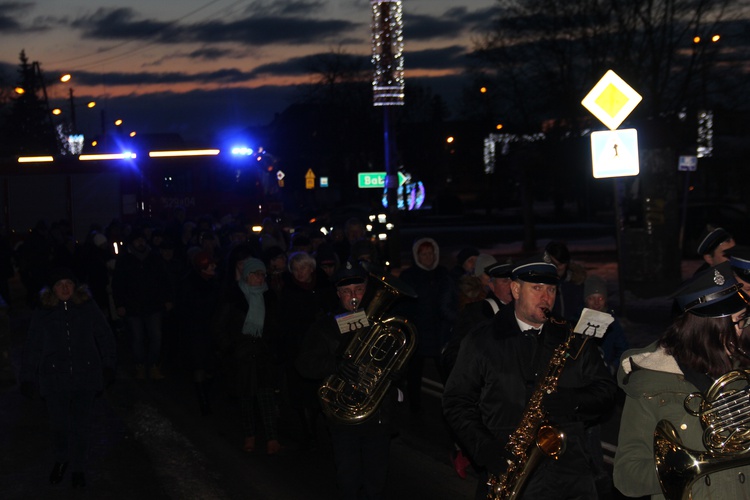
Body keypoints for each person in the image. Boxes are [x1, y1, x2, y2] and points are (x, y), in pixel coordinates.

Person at [442, 259, 617, 500]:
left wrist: (573, 401)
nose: (546, 297)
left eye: (551, 290)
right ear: (515, 290)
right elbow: (456, 401)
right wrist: (485, 448)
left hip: (571, 473)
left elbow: (607, 391)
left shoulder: (573, 337)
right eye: (537, 288)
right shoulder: (482, 340)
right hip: (508, 469)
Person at [613, 262, 750, 498]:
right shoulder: (651, 384)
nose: (742, 330)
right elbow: (627, 476)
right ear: (710, 328)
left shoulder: (741, 374)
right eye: (738, 321)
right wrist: (675, 470)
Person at [296, 261, 397, 500]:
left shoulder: (383, 323)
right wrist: (335, 365)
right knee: (348, 479)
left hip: (377, 414)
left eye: (359, 290)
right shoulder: (324, 326)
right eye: (347, 292)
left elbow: (399, 360)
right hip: (343, 417)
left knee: (376, 480)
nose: (353, 296)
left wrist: (391, 370)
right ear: (338, 294)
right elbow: (303, 363)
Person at [19, 268, 117, 488]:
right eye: (59, 284)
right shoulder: (44, 311)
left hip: (86, 375)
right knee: (59, 426)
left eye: (69, 283)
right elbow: (33, 346)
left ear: (75, 287)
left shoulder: (87, 307)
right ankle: (62, 459)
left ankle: (79, 467)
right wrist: (27, 377)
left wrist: (109, 364)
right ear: (52, 289)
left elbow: (105, 335)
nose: (64, 288)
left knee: (81, 425)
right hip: (54, 378)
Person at [214, 257, 283, 455]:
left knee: (266, 397)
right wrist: (230, 348)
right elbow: (220, 325)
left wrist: (273, 348)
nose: (260, 278)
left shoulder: (270, 297)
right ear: (247, 275)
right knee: (245, 398)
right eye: (255, 274)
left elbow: (277, 325)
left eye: (262, 274)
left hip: (263, 355)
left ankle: (272, 439)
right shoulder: (234, 297)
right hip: (241, 356)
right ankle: (249, 437)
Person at [399, 237, 457, 413]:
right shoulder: (409, 276)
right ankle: (415, 411)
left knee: (447, 374)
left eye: (431, 253)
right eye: (423, 254)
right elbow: (404, 305)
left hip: (439, 333)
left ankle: (454, 408)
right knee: (414, 375)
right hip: (418, 333)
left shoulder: (443, 273)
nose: (428, 257)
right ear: (417, 256)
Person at [111, 230, 173, 380]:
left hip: (153, 305)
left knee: (156, 337)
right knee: (137, 338)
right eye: (137, 240)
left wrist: (167, 299)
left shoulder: (154, 259)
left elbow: (164, 280)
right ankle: (140, 365)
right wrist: (120, 304)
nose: (141, 243)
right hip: (133, 307)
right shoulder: (125, 260)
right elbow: (118, 284)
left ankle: (152, 365)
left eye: (142, 240)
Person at [544, 240, 586, 321]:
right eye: (553, 263)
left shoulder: (576, 282)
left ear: (567, 263)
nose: (557, 268)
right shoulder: (541, 285)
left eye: (560, 264)